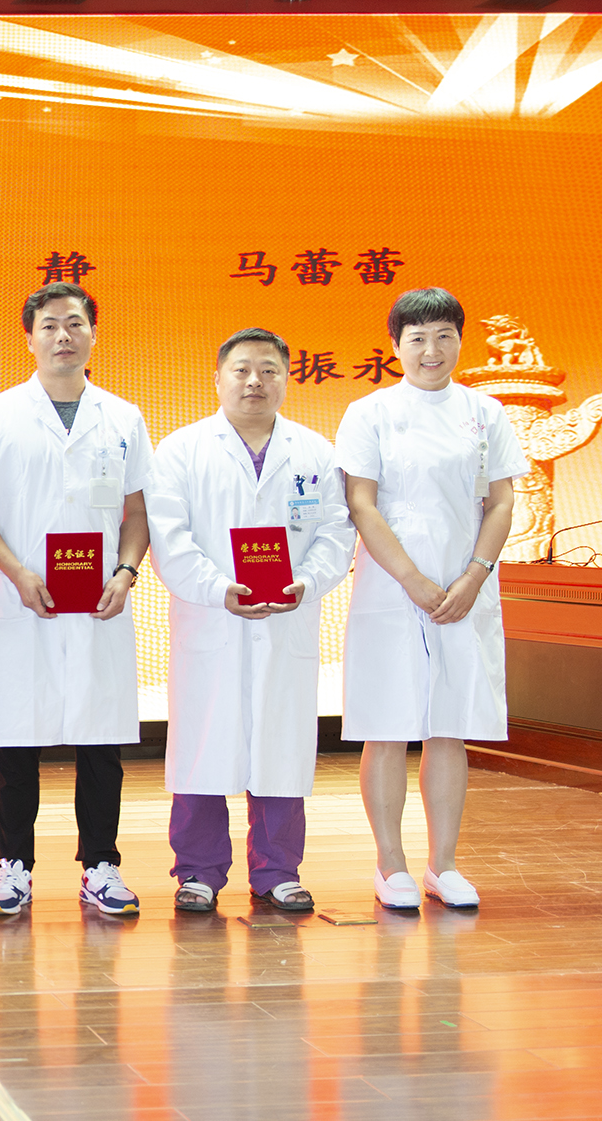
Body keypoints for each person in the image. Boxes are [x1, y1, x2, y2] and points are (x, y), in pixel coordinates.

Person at [145, 328, 356, 913]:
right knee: (203, 745)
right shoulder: (182, 450)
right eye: (241, 370)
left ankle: (278, 871)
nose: (255, 381)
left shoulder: (314, 452)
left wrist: (306, 582)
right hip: (211, 620)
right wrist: (219, 589)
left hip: (287, 616)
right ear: (217, 379)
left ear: (287, 378)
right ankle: (198, 871)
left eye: (268, 369)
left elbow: (337, 530)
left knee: (281, 745)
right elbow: (169, 536)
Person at [0, 282, 153, 917]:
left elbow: (136, 511)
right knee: (19, 737)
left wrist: (125, 572)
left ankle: (101, 865)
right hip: (26, 597)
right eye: (48, 325)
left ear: (94, 334)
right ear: (29, 337)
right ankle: (12, 867)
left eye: (74, 323)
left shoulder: (123, 418)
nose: (63, 335)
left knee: (101, 738)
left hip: (99, 600)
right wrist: (16, 572)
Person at [336, 288, 524, 910]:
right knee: (387, 724)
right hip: (392, 588)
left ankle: (443, 865)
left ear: (460, 341)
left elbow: (501, 501)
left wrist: (474, 575)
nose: (431, 350)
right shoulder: (370, 412)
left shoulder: (485, 412)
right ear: (396, 346)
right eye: (417, 338)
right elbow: (361, 503)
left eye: (444, 335)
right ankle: (390, 865)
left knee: (451, 725)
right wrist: (412, 579)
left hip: (465, 587)